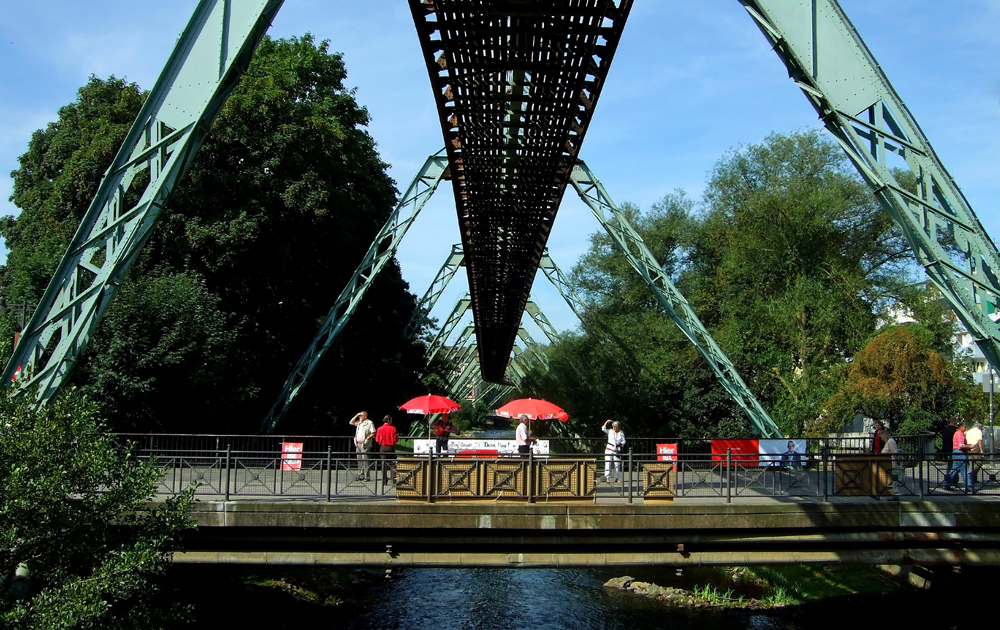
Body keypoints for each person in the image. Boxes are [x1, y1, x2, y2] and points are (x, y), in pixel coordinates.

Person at [943, 419, 973, 491]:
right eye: (965, 427)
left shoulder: (957, 433)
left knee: (954, 469)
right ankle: (969, 486)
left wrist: (968, 448)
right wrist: (970, 446)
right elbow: (961, 445)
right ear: (962, 427)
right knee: (965, 469)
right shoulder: (959, 434)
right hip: (960, 453)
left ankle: (947, 484)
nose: (965, 429)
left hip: (956, 452)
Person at [349, 411, 375, 481]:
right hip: (358, 444)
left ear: (365, 416)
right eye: (359, 415)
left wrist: (367, 439)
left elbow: (373, 432)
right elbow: (351, 422)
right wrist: (356, 415)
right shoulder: (359, 423)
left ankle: (367, 476)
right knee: (359, 460)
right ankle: (361, 474)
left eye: (361, 415)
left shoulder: (369, 423)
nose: (360, 417)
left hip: (365, 444)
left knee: (365, 460)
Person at [375, 415, 399, 485]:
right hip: (390, 447)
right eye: (391, 420)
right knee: (392, 463)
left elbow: (377, 439)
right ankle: (393, 479)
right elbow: (395, 439)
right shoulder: (393, 428)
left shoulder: (379, 429)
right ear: (388, 420)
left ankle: (384, 481)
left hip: (383, 447)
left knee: (383, 464)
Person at [880, 428, 902, 500]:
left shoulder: (890, 441)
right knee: (891, 480)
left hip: (892, 464)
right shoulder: (888, 442)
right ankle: (891, 493)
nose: (881, 439)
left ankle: (895, 495)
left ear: (884, 436)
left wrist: (897, 461)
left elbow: (894, 452)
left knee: (894, 479)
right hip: (889, 464)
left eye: (881, 437)